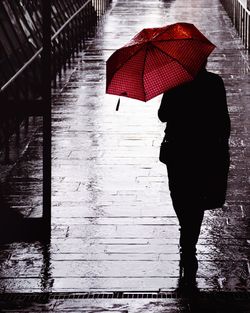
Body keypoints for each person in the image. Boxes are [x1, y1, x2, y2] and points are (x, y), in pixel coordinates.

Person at [158, 62, 230, 287]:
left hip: (178, 152)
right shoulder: (214, 82)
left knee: (179, 194)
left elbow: (163, 115)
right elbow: (223, 119)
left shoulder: (174, 82)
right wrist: (222, 146)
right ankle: (189, 242)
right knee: (197, 199)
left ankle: (186, 239)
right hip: (204, 152)